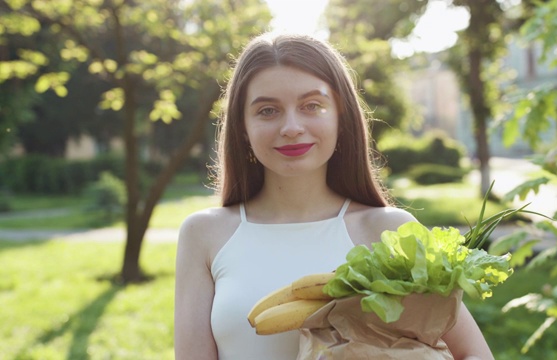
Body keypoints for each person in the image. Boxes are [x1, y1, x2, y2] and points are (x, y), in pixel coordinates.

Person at [174, 31, 494, 360]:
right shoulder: (204, 234)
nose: (292, 127)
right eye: (268, 111)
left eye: (312, 105)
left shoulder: (390, 230)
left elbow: (475, 354)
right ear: (242, 127)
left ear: (341, 116)